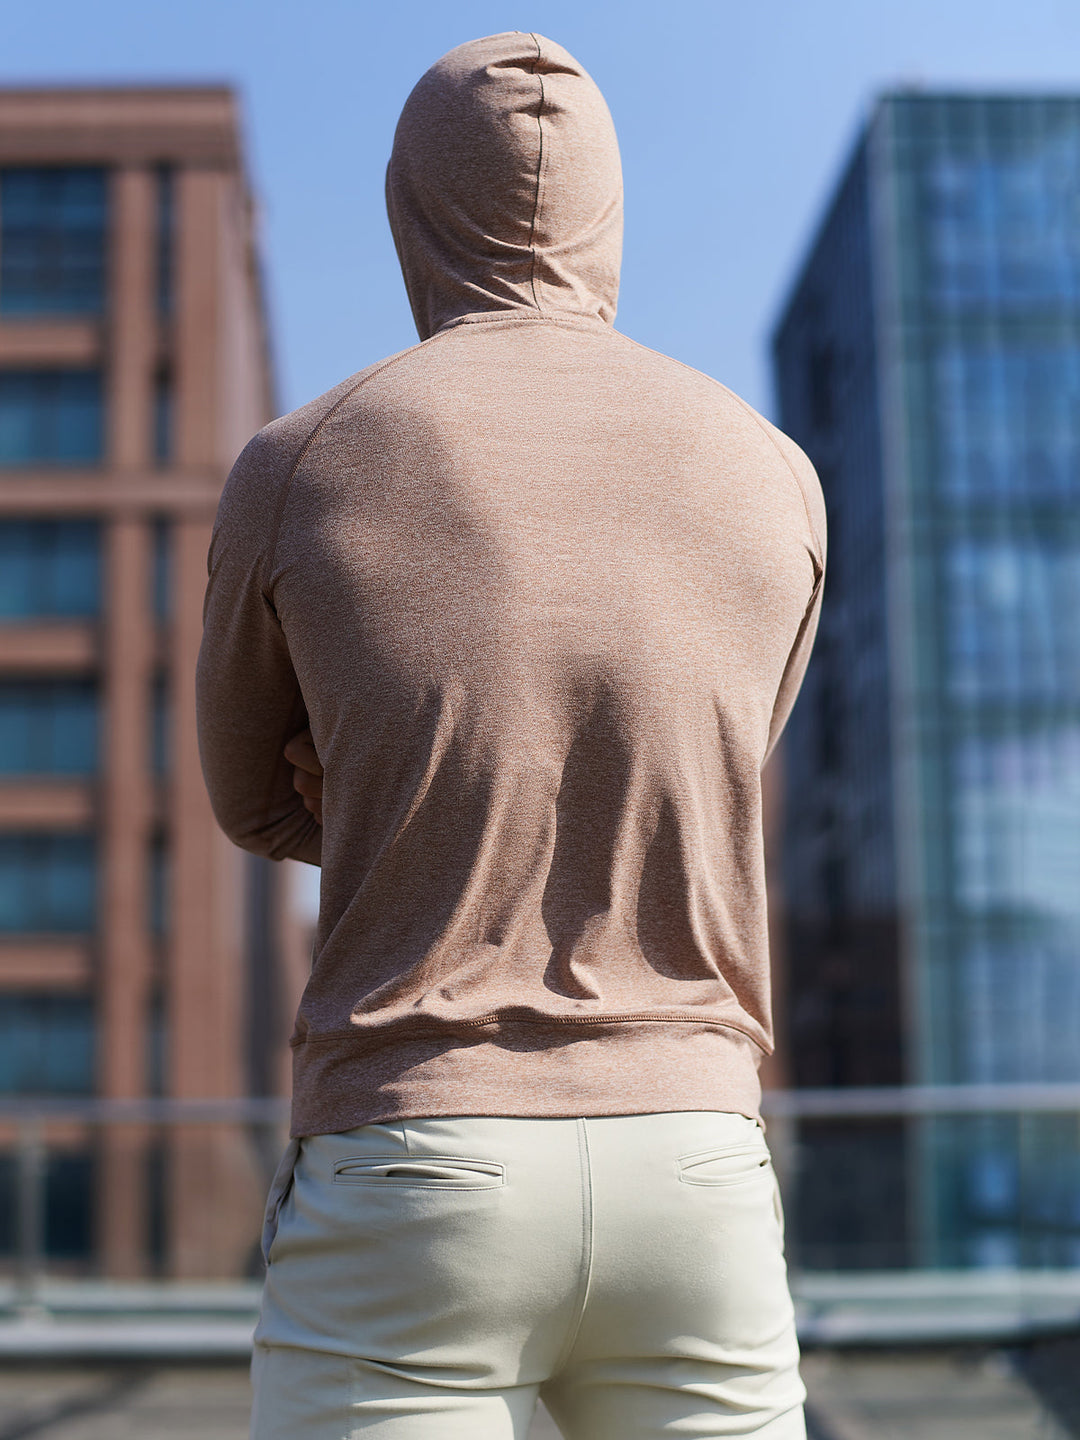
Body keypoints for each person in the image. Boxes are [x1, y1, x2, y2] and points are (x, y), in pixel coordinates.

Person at [196, 30, 825, 1440]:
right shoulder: (774, 473)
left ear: (410, 208)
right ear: (610, 210)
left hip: (417, 1159)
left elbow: (248, 797)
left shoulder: (302, 462)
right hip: (696, 1165)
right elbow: (710, 771)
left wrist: (376, 782)